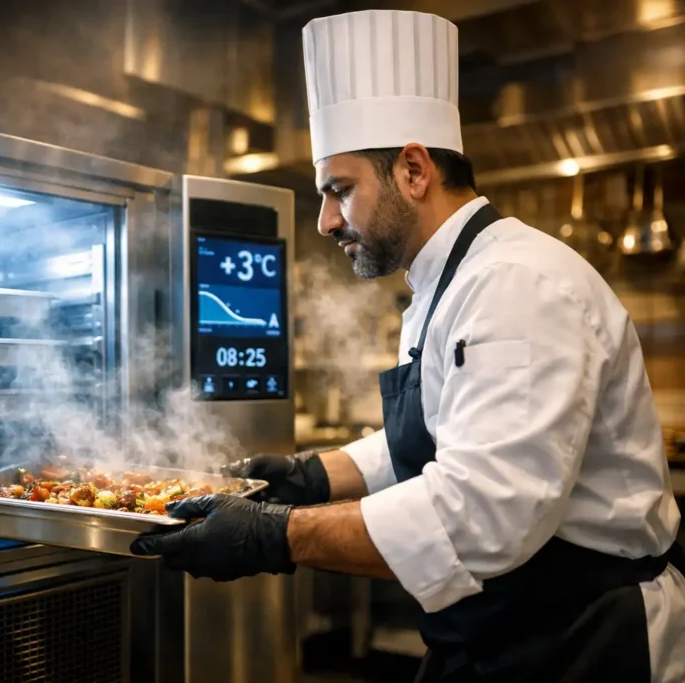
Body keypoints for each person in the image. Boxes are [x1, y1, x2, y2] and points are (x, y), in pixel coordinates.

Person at [130, 8, 685, 682]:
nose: (327, 220)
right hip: (495, 631)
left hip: (582, 642)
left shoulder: (517, 286)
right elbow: (429, 439)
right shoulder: (441, 286)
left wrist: (272, 534)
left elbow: (479, 514)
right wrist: (309, 476)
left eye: (340, 190)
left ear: (415, 170)